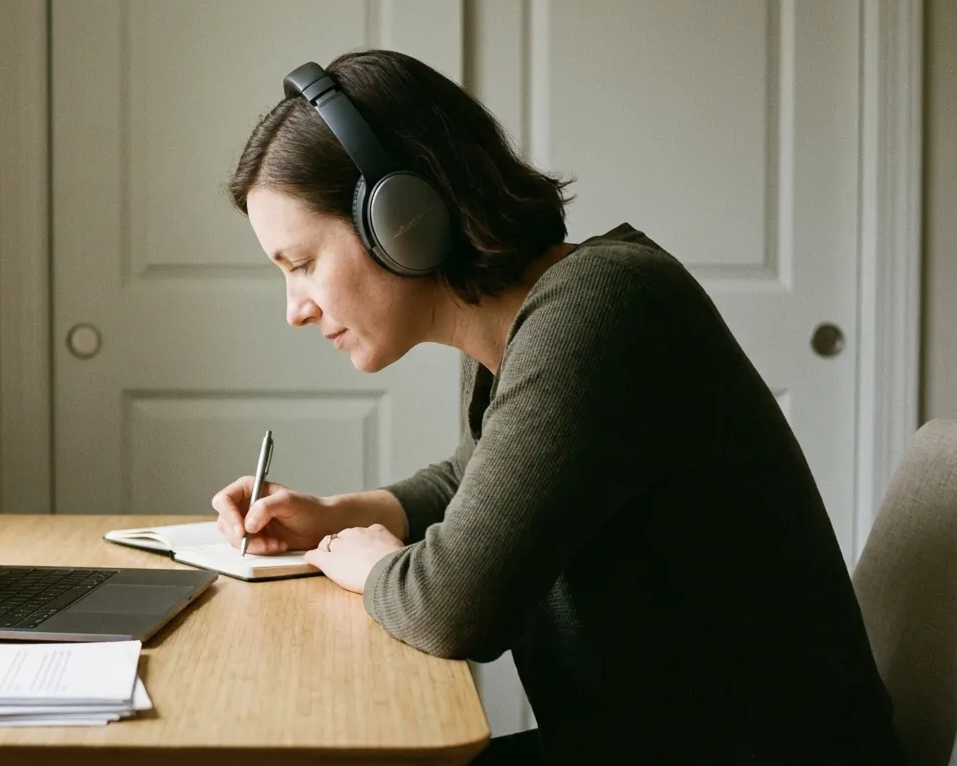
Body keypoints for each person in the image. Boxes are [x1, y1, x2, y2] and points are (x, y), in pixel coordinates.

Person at [210, 49, 902, 765]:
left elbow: (450, 610)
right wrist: (339, 514)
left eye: (300, 264)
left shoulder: (600, 310)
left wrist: (374, 565)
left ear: (401, 216)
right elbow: (474, 476)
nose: (295, 308)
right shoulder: (536, 320)